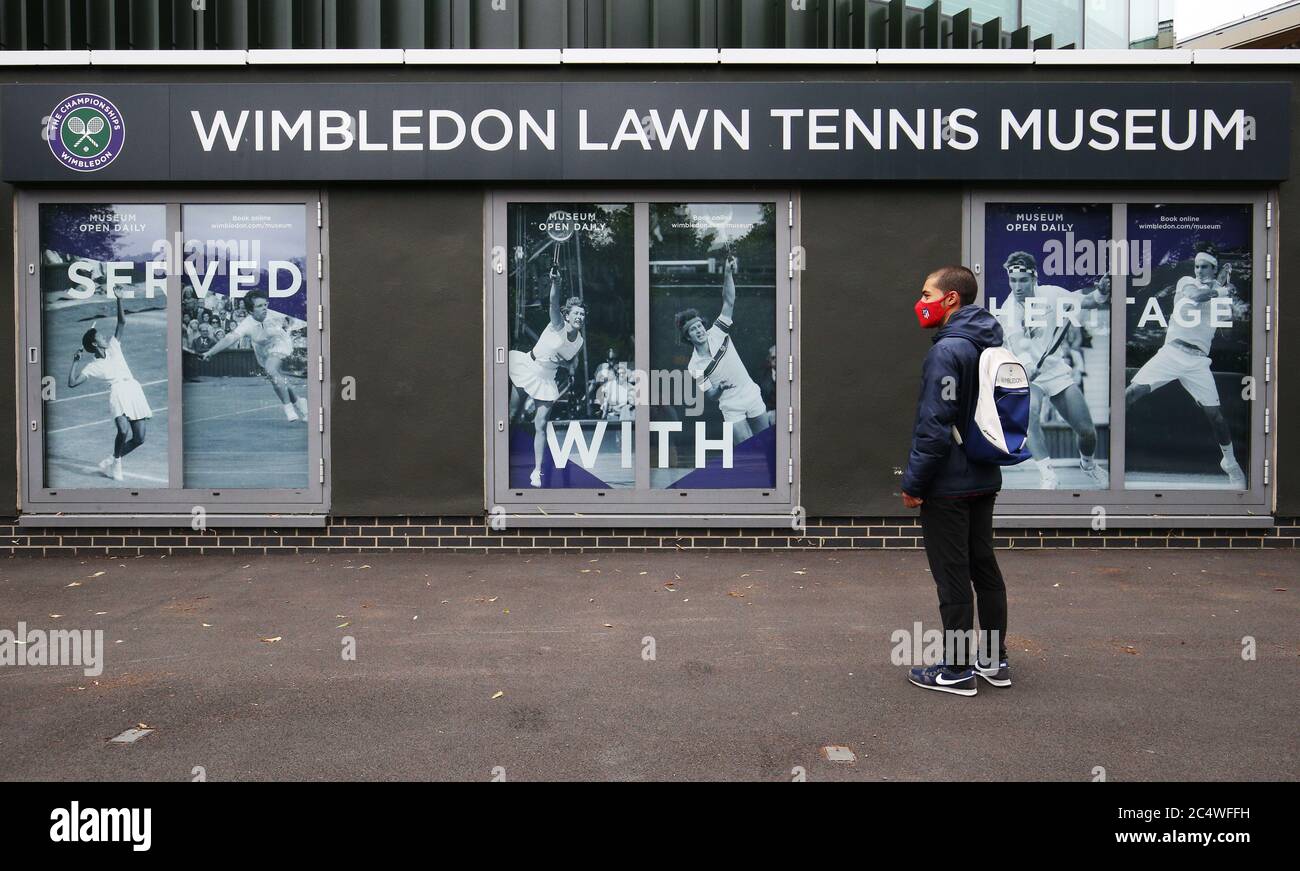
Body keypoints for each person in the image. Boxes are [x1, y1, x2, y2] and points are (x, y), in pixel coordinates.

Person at [900, 265, 1010, 697]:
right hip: (985, 475)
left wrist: (914, 483)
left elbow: (934, 425)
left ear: (951, 299)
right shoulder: (989, 344)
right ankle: (994, 660)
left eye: (927, 293)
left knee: (952, 576)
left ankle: (957, 670)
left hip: (949, 483)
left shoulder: (947, 352)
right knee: (985, 569)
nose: (920, 301)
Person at [1125, 252, 1245, 488]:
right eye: (1197, 266)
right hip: (1171, 353)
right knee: (1129, 394)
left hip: (1199, 361)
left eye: (1204, 267)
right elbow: (1195, 296)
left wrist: (1228, 305)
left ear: (1214, 269)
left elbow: (1227, 333)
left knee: (1217, 418)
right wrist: (1221, 290)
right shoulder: (1186, 283)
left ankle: (1229, 462)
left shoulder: (1218, 298)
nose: (1198, 270)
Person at [995, 251, 1109, 489]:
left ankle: (1088, 464)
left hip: (1056, 371)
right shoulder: (1009, 309)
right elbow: (1017, 344)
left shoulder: (1051, 294)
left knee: (1088, 432)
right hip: (1027, 374)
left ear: (1034, 277)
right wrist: (1028, 367)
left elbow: (1087, 301)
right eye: (1012, 280)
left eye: (1022, 280)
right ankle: (1047, 473)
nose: (1017, 286)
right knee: (1030, 414)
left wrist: (1101, 293)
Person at [676, 253, 769, 443]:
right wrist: (720, 388)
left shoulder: (717, 331)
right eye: (693, 329)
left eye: (700, 325)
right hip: (730, 405)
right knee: (747, 449)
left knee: (767, 443)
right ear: (688, 337)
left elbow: (728, 301)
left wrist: (727, 272)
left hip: (751, 393)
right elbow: (710, 394)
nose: (699, 330)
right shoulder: (694, 366)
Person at [508, 265, 585, 487]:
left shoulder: (579, 341)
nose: (580, 316)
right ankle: (500, 456)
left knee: (540, 425)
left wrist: (562, 363)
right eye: (576, 313)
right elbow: (553, 302)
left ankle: (537, 471)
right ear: (567, 316)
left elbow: (568, 359)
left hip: (546, 380)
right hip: (527, 368)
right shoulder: (557, 323)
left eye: (582, 314)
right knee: (513, 415)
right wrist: (556, 283)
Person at [66, 294, 151, 482]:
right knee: (123, 431)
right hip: (117, 393)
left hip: (133, 390)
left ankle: (110, 461)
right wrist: (75, 362)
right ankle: (117, 463)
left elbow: (122, 322)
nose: (105, 337)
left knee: (139, 438)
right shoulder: (92, 366)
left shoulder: (114, 346)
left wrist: (119, 299)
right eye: (100, 336)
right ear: (95, 343)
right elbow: (72, 382)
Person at [201, 290, 308, 423]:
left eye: (265, 304)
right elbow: (229, 339)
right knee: (275, 376)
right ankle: (299, 402)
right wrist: (210, 352)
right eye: (259, 306)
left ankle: (288, 408)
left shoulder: (276, 313)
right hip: (262, 351)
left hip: (280, 343)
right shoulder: (247, 324)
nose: (264, 308)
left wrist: (290, 322)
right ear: (251, 311)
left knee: (271, 370)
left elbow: (299, 317)